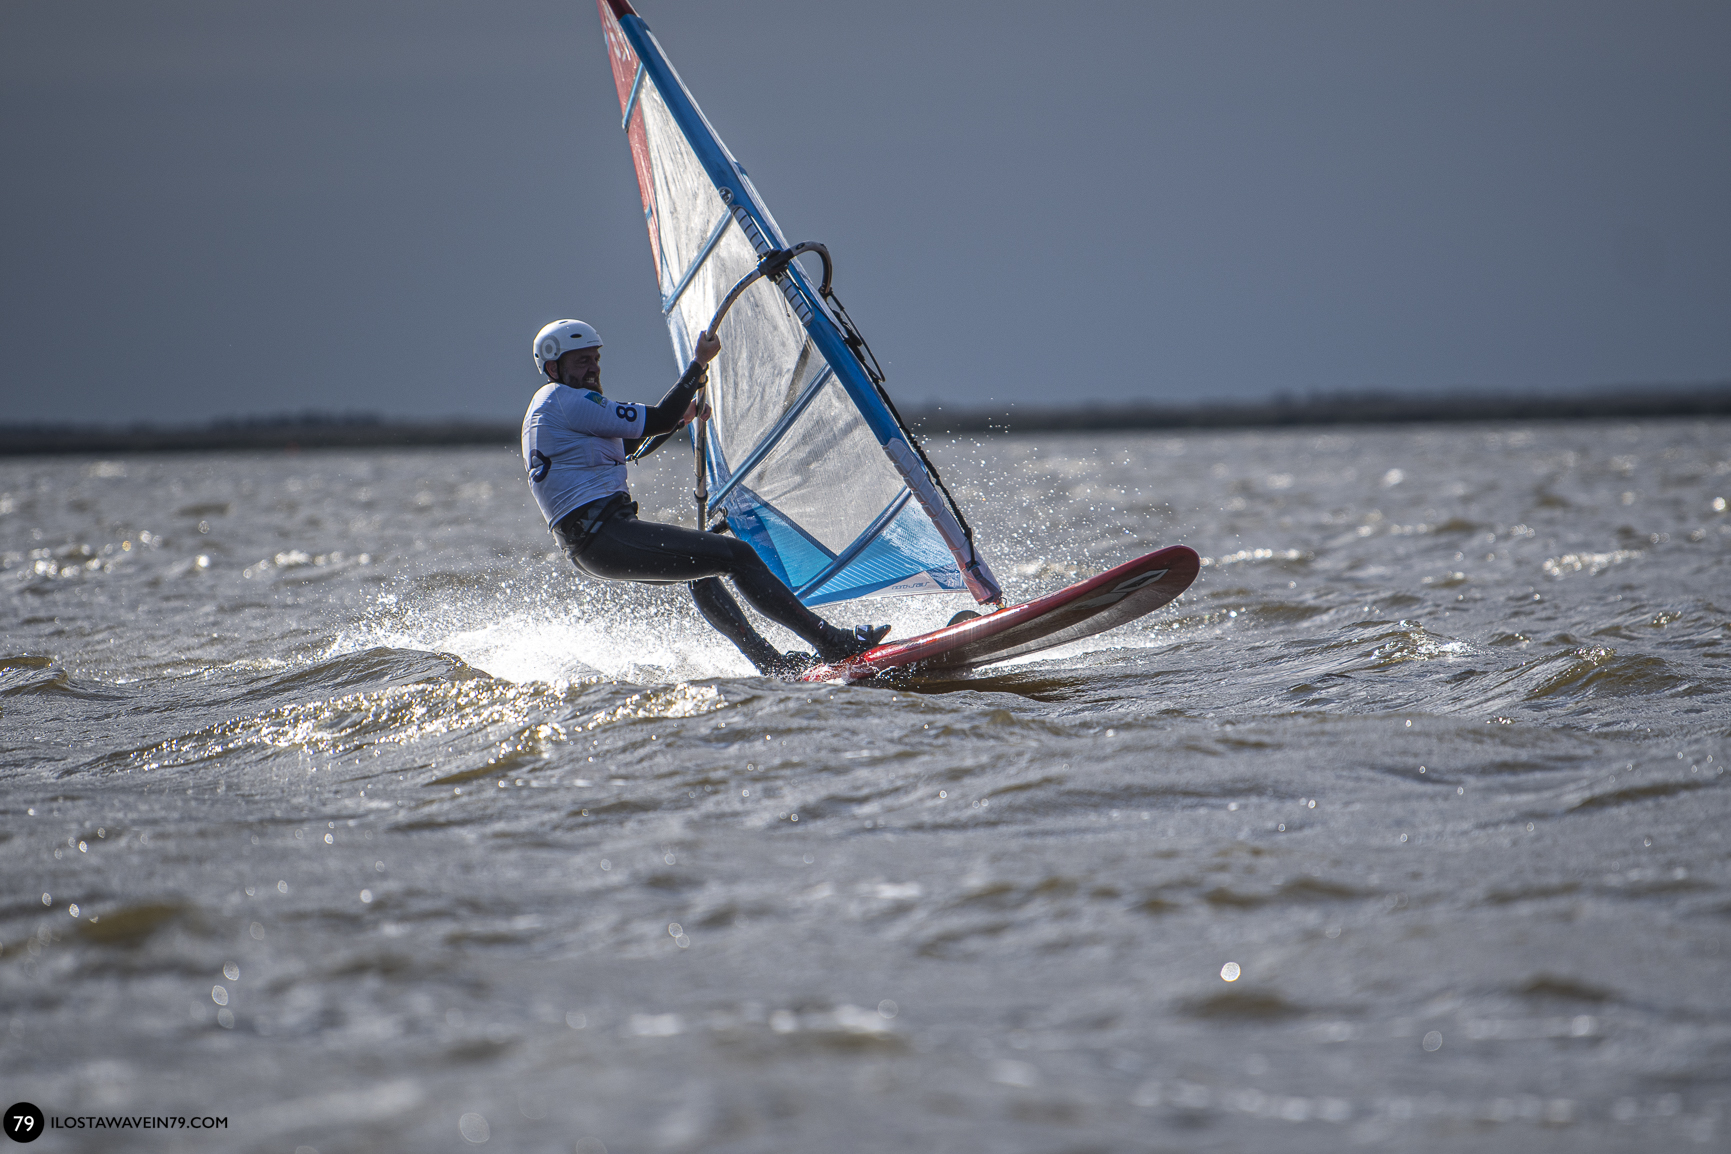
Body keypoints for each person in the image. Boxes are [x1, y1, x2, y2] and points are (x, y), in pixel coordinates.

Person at [521, 318, 889, 676]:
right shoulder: (565, 399)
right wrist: (698, 364)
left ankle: (772, 664)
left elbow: (632, 445)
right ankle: (832, 643)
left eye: (595, 358)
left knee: (703, 571)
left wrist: (683, 417)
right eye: (582, 361)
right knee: (738, 556)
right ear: (553, 367)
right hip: (604, 536)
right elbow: (658, 419)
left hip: (592, 544)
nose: (593, 368)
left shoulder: (552, 407)